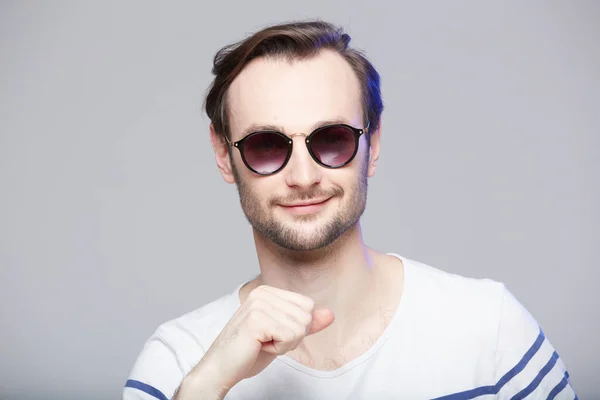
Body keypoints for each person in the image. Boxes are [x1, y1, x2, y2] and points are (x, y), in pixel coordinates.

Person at [123, 20, 577, 400]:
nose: (303, 176)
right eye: (266, 146)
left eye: (332, 139)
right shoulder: (179, 363)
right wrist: (207, 385)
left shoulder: (490, 331)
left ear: (373, 145)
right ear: (224, 155)